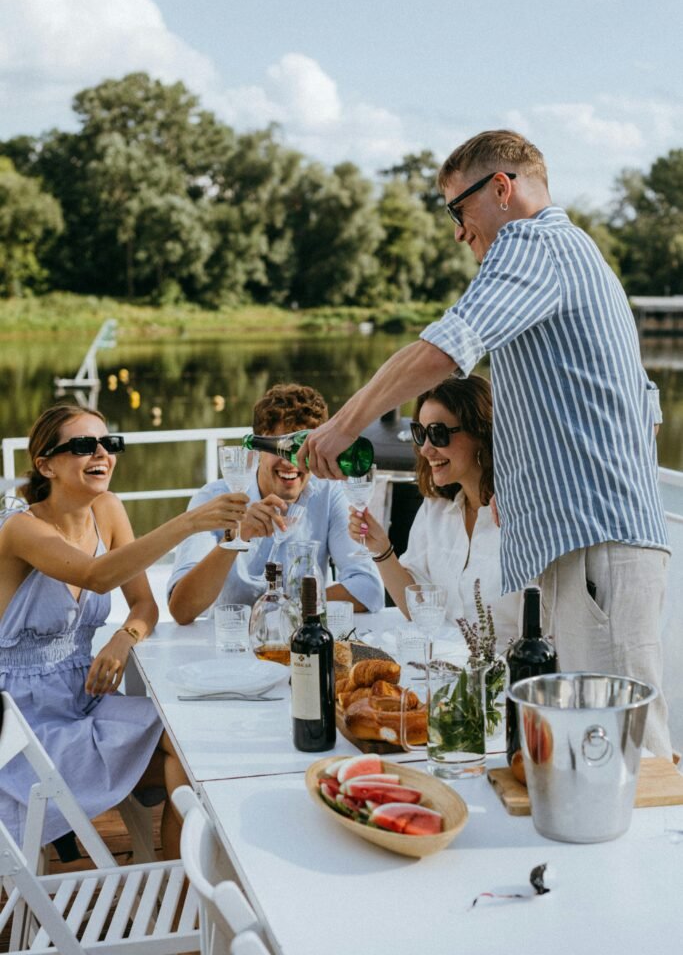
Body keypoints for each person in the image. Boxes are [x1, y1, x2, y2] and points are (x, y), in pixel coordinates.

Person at [299, 129, 671, 757]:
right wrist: (523, 490)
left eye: (457, 209)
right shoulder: (575, 255)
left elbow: (445, 349)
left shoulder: (533, 241)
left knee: (624, 751)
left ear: (502, 188)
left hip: (596, 544)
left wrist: (343, 425)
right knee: (586, 747)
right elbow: (643, 407)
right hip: (587, 541)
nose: (458, 232)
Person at [0, 402, 246, 855]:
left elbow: (144, 605)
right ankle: (176, 879)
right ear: (45, 465)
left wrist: (123, 637)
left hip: (85, 694)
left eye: (108, 443)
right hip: (24, 720)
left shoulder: (108, 510)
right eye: (82, 446)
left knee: (187, 737)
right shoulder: (20, 529)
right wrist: (191, 521)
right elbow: (96, 576)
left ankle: (179, 882)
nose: (101, 453)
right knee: (182, 757)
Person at [167, 383, 384, 623]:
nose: (291, 463)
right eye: (280, 448)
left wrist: (283, 611)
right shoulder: (212, 498)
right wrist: (238, 536)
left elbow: (369, 589)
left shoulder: (329, 494)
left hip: (299, 641)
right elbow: (182, 609)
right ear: (258, 449)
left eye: (303, 450)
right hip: (230, 644)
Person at [349, 374, 520, 646]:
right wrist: (381, 548)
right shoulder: (435, 509)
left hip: (509, 677)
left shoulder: (523, 517)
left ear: (480, 432)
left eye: (438, 434)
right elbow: (417, 610)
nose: (426, 449)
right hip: (445, 673)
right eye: (420, 433)